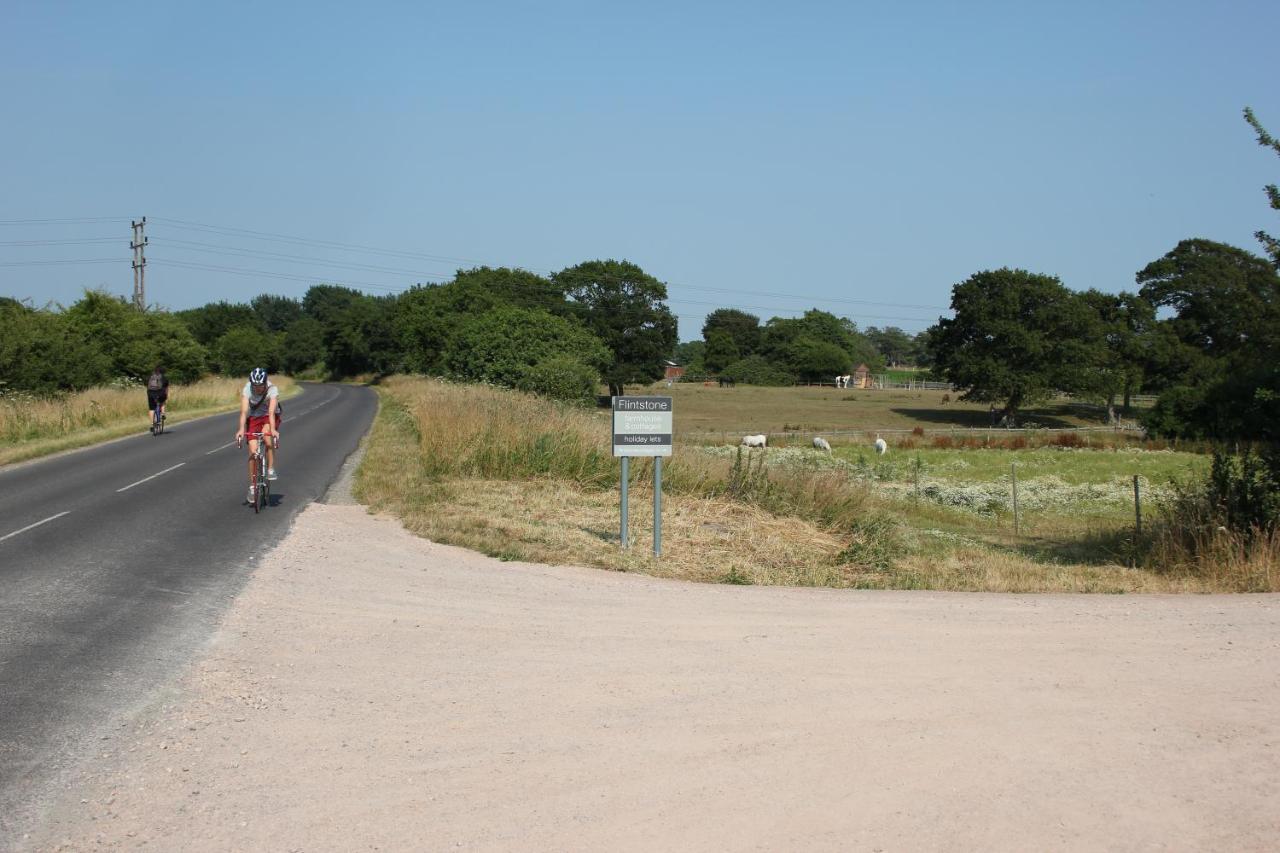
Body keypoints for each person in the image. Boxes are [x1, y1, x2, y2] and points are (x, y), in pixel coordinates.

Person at [234, 367, 280, 504]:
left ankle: (271, 468)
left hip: (268, 417)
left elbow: (271, 412)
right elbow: (243, 412)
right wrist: (241, 429)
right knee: (253, 452)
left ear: (265, 383)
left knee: (266, 437)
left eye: (260, 386)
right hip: (254, 418)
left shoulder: (272, 389)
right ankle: (253, 486)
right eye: (255, 386)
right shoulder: (247, 389)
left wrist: (273, 430)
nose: (258, 389)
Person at [146, 365, 169, 433]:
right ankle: (163, 414)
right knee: (163, 401)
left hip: (151, 394)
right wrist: (166, 396)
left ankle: (152, 425)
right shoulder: (164, 378)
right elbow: (166, 389)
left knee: (151, 409)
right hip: (160, 394)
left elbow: (147, 386)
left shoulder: (150, 377)